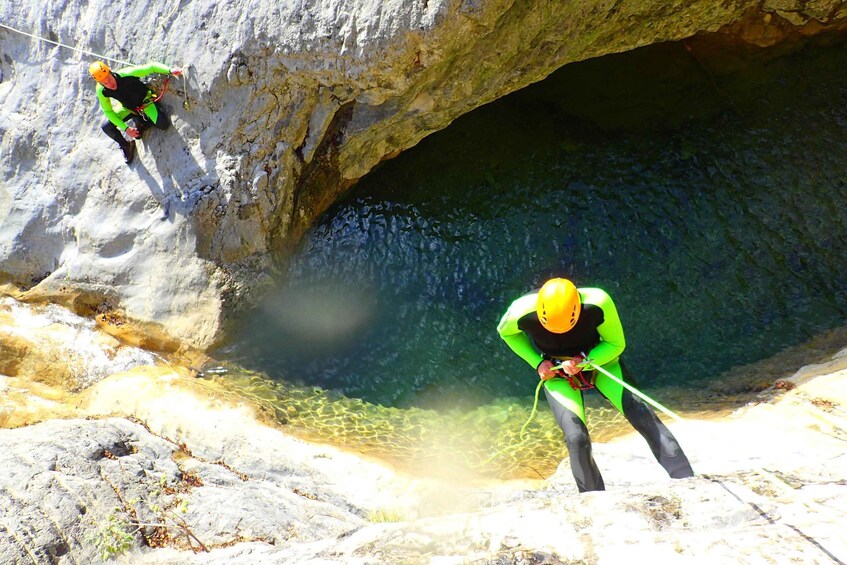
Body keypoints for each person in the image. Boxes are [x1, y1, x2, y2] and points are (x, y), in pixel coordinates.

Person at [497, 277, 694, 492]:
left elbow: (616, 344)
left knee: (644, 417)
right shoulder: (520, 310)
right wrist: (538, 362)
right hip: (557, 373)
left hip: (601, 364)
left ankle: (687, 482)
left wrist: (586, 361)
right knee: (576, 438)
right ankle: (593, 500)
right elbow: (506, 333)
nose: (559, 333)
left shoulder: (598, 303)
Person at [89, 60, 183, 164]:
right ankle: (126, 145)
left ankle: (141, 121)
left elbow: (151, 67)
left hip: (145, 103)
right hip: (129, 109)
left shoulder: (126, 74)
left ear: (110, 72)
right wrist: (126, 128)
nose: (109, 84)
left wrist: (169, 70)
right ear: (100, 83)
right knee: (106, 127)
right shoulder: (101, 90)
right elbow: (108, 111)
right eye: (105, 82)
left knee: (163, 124)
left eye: (109, 78)